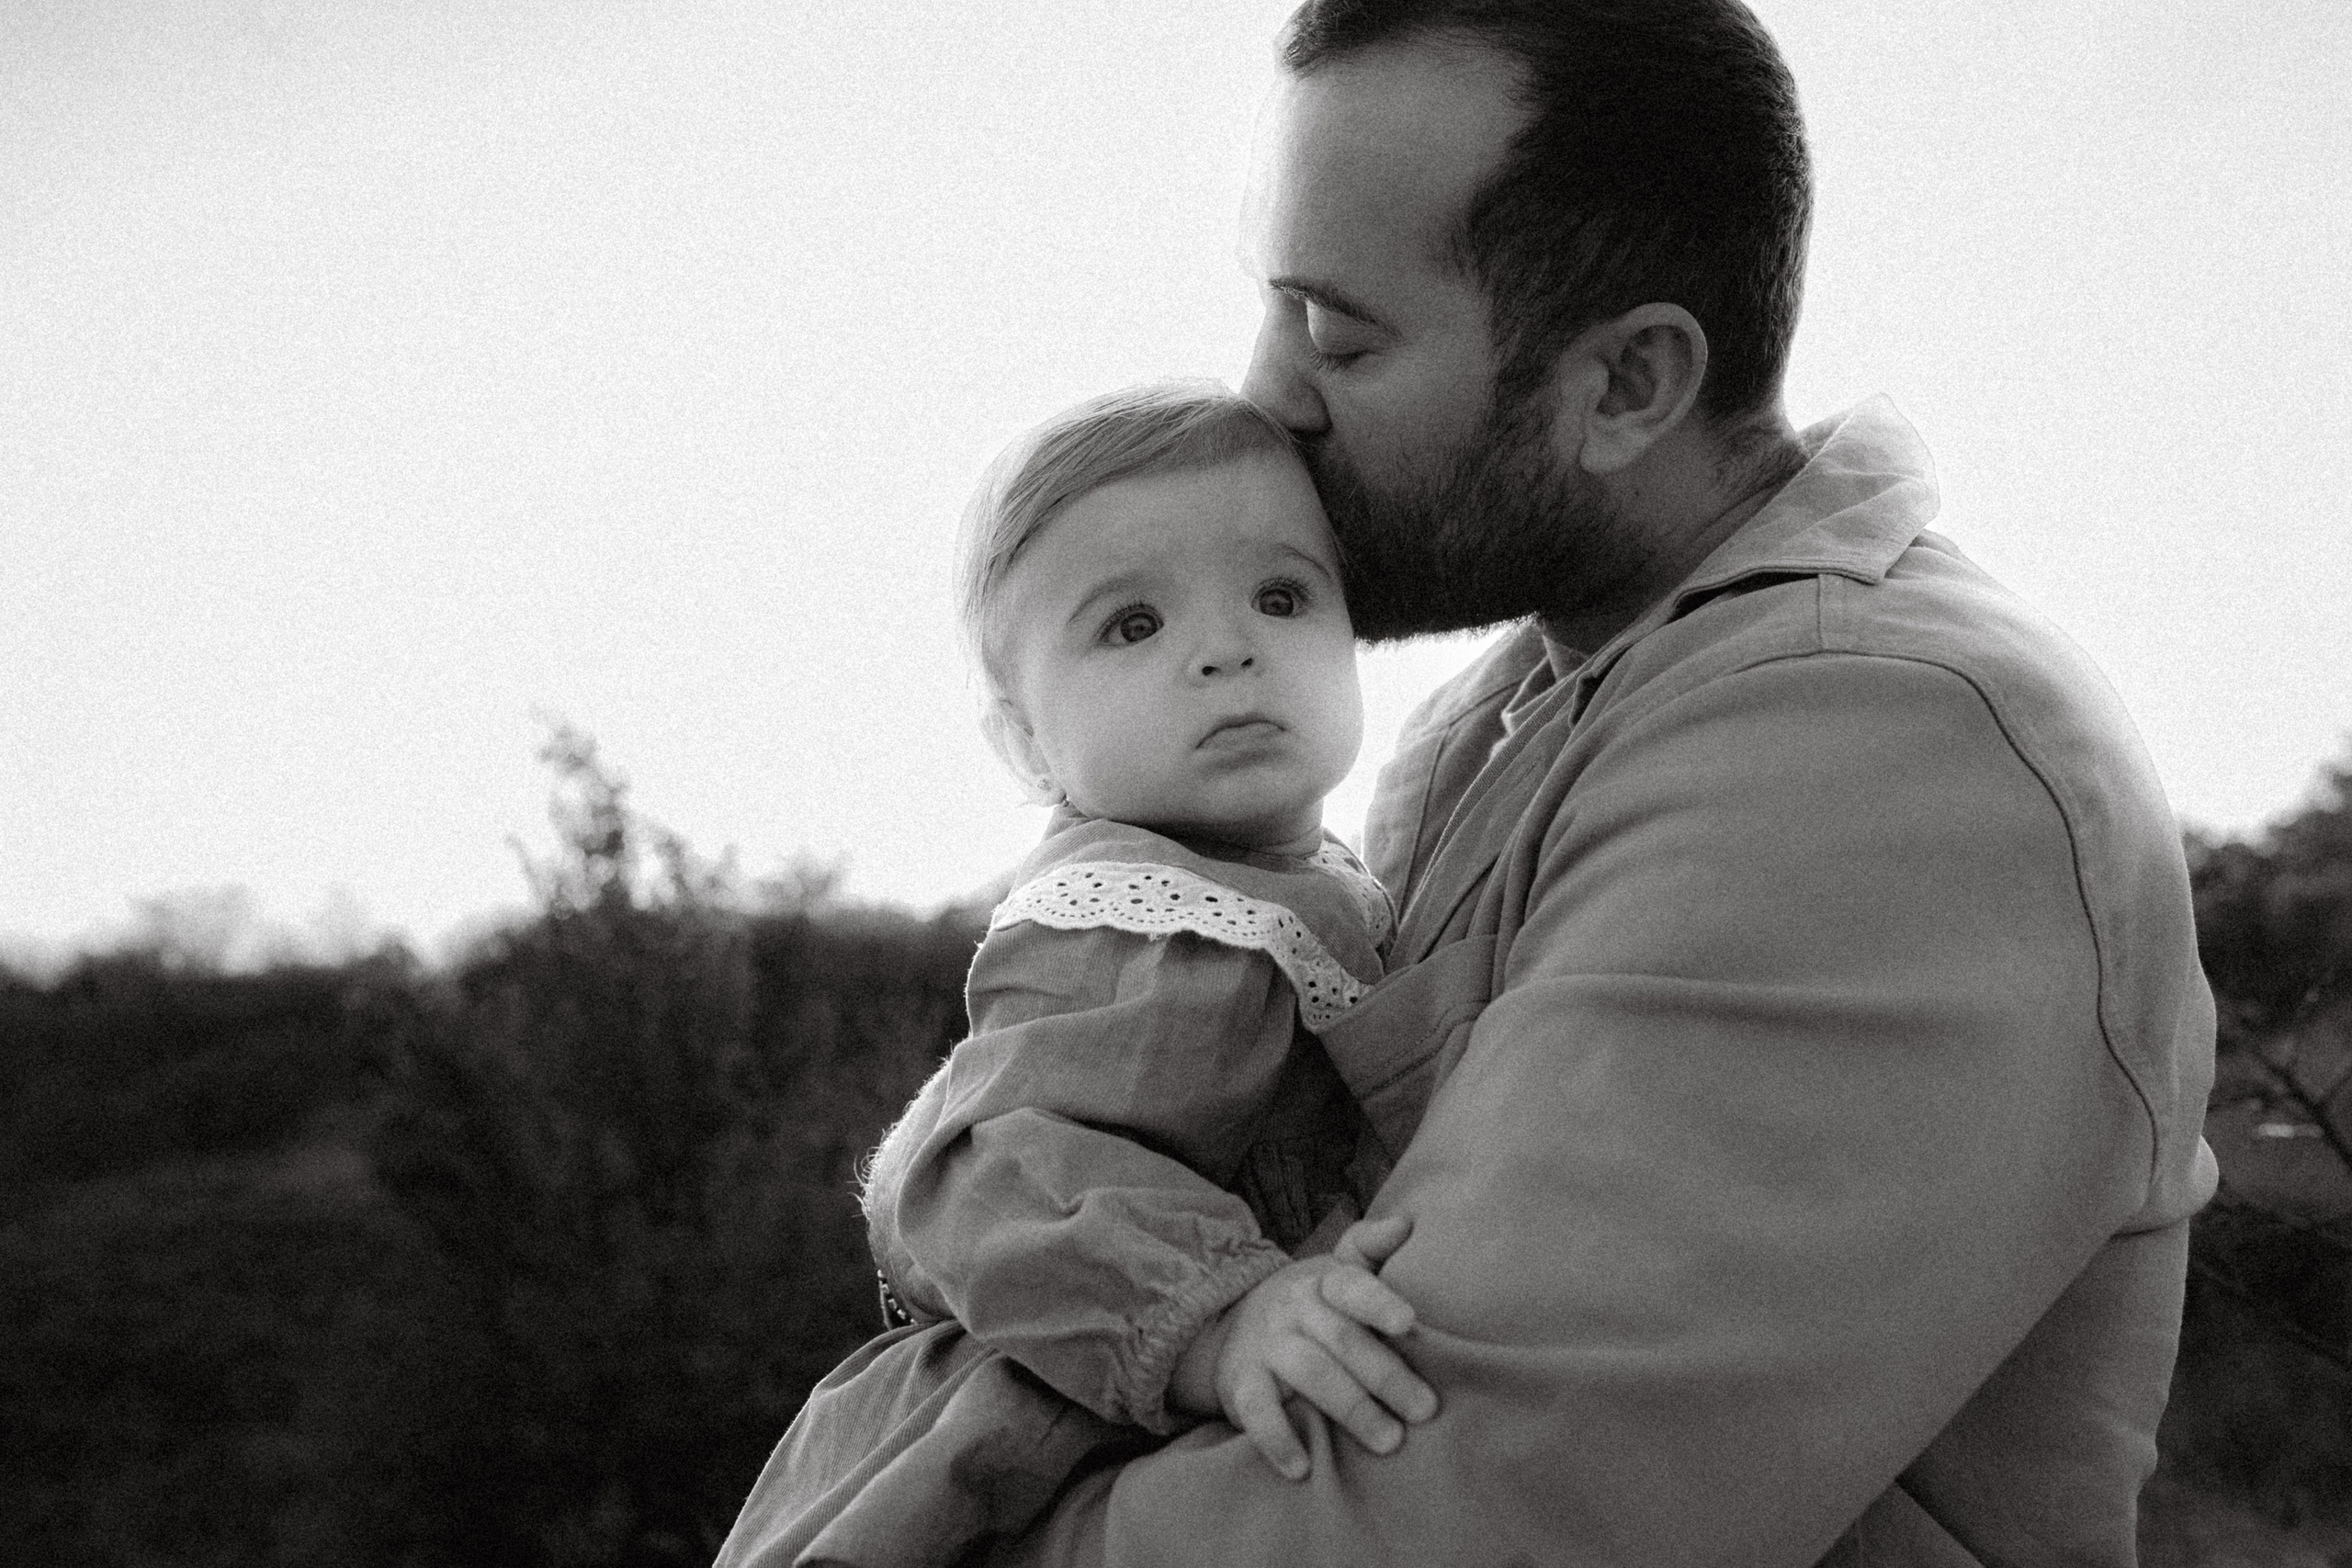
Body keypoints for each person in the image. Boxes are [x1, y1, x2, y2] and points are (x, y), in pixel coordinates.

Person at [988, 3, 2219, 1564]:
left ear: (1629, 382)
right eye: (1272, 306)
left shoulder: (1881, 755)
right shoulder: (1513, 714)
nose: (1266, 394)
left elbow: (1454, 1518)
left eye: (1340, 335)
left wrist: (932, 1513)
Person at [714, 382, 1440, 1568]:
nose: (1228, 649)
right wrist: (1221, 1318)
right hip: (1046, 1410)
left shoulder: (1306, 881)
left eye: (1282, 596)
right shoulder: (1139, 924)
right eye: (1132, 625)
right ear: (1025, 742)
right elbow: (988, 1173)